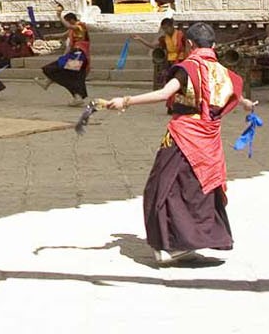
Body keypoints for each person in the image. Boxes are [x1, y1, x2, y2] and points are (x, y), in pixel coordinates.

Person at [103, 22, 256, 266]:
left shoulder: (188, 68)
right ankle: (188, 241)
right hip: (208, 141)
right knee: (198, 190)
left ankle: (170, 245)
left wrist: (126, 100)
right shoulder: (223, 72)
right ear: (214, 45)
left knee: (163, 186)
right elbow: (234, 95)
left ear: (190, 44)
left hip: (183, 135)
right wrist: (247, 104)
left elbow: (165, 94)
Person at [38, 13, 91, 106]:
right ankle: (77, 97)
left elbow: (69, 26)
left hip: (78, 55)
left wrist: (59, 16)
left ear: (71, 20)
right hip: (77, 55)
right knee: (72, 75)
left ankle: (47, 82)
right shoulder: (72, 30)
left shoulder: (80, 26)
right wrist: (51, 36)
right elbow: (63, 35)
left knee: (60, 67)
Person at [133, 18, 186, 88]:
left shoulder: (180, 35)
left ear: (171, 26)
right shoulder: (164, 38)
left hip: (181, 61)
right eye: (164, 29)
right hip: (170, 62)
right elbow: (152, 46)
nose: (165, 31)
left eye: (166, 28)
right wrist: (140, 39)